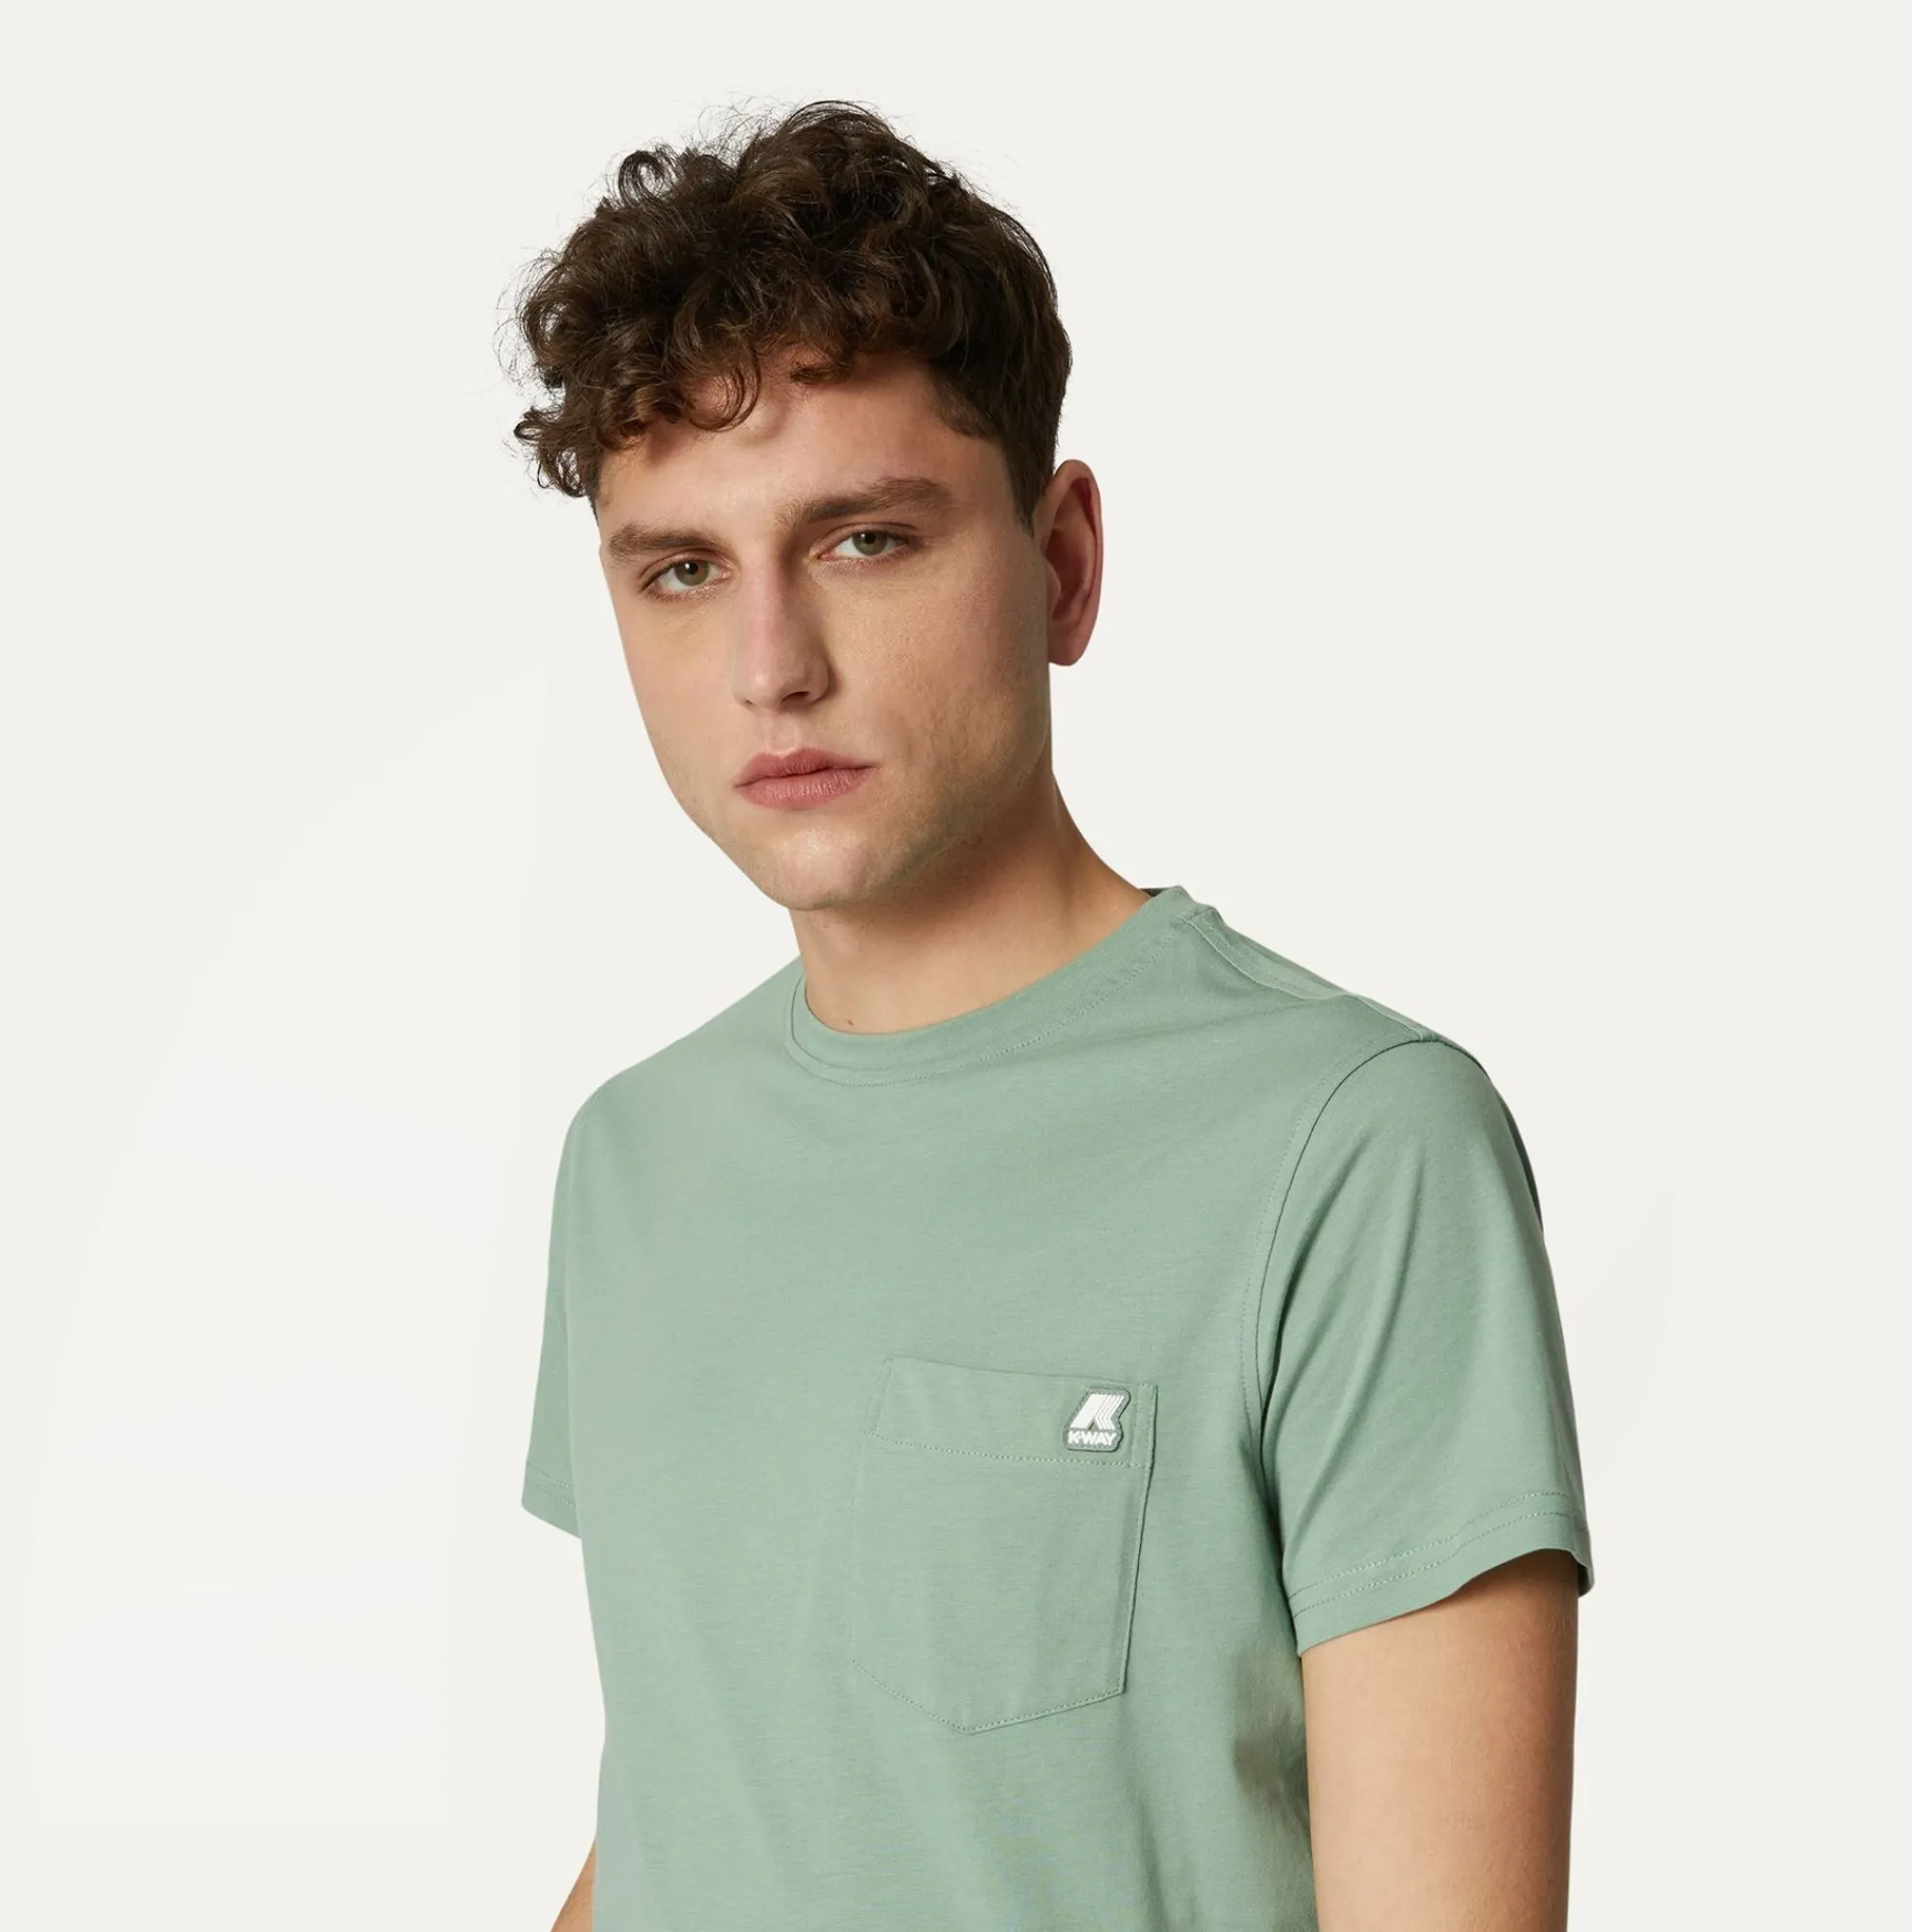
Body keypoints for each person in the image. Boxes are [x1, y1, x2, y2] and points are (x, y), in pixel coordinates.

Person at [502, 97, 1594, 1932]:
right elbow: (702, 1812)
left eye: (864, 540)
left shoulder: (1352, 1147)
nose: (770, 667)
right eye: (682, 569)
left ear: (1063, 561)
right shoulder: (633, 1160)